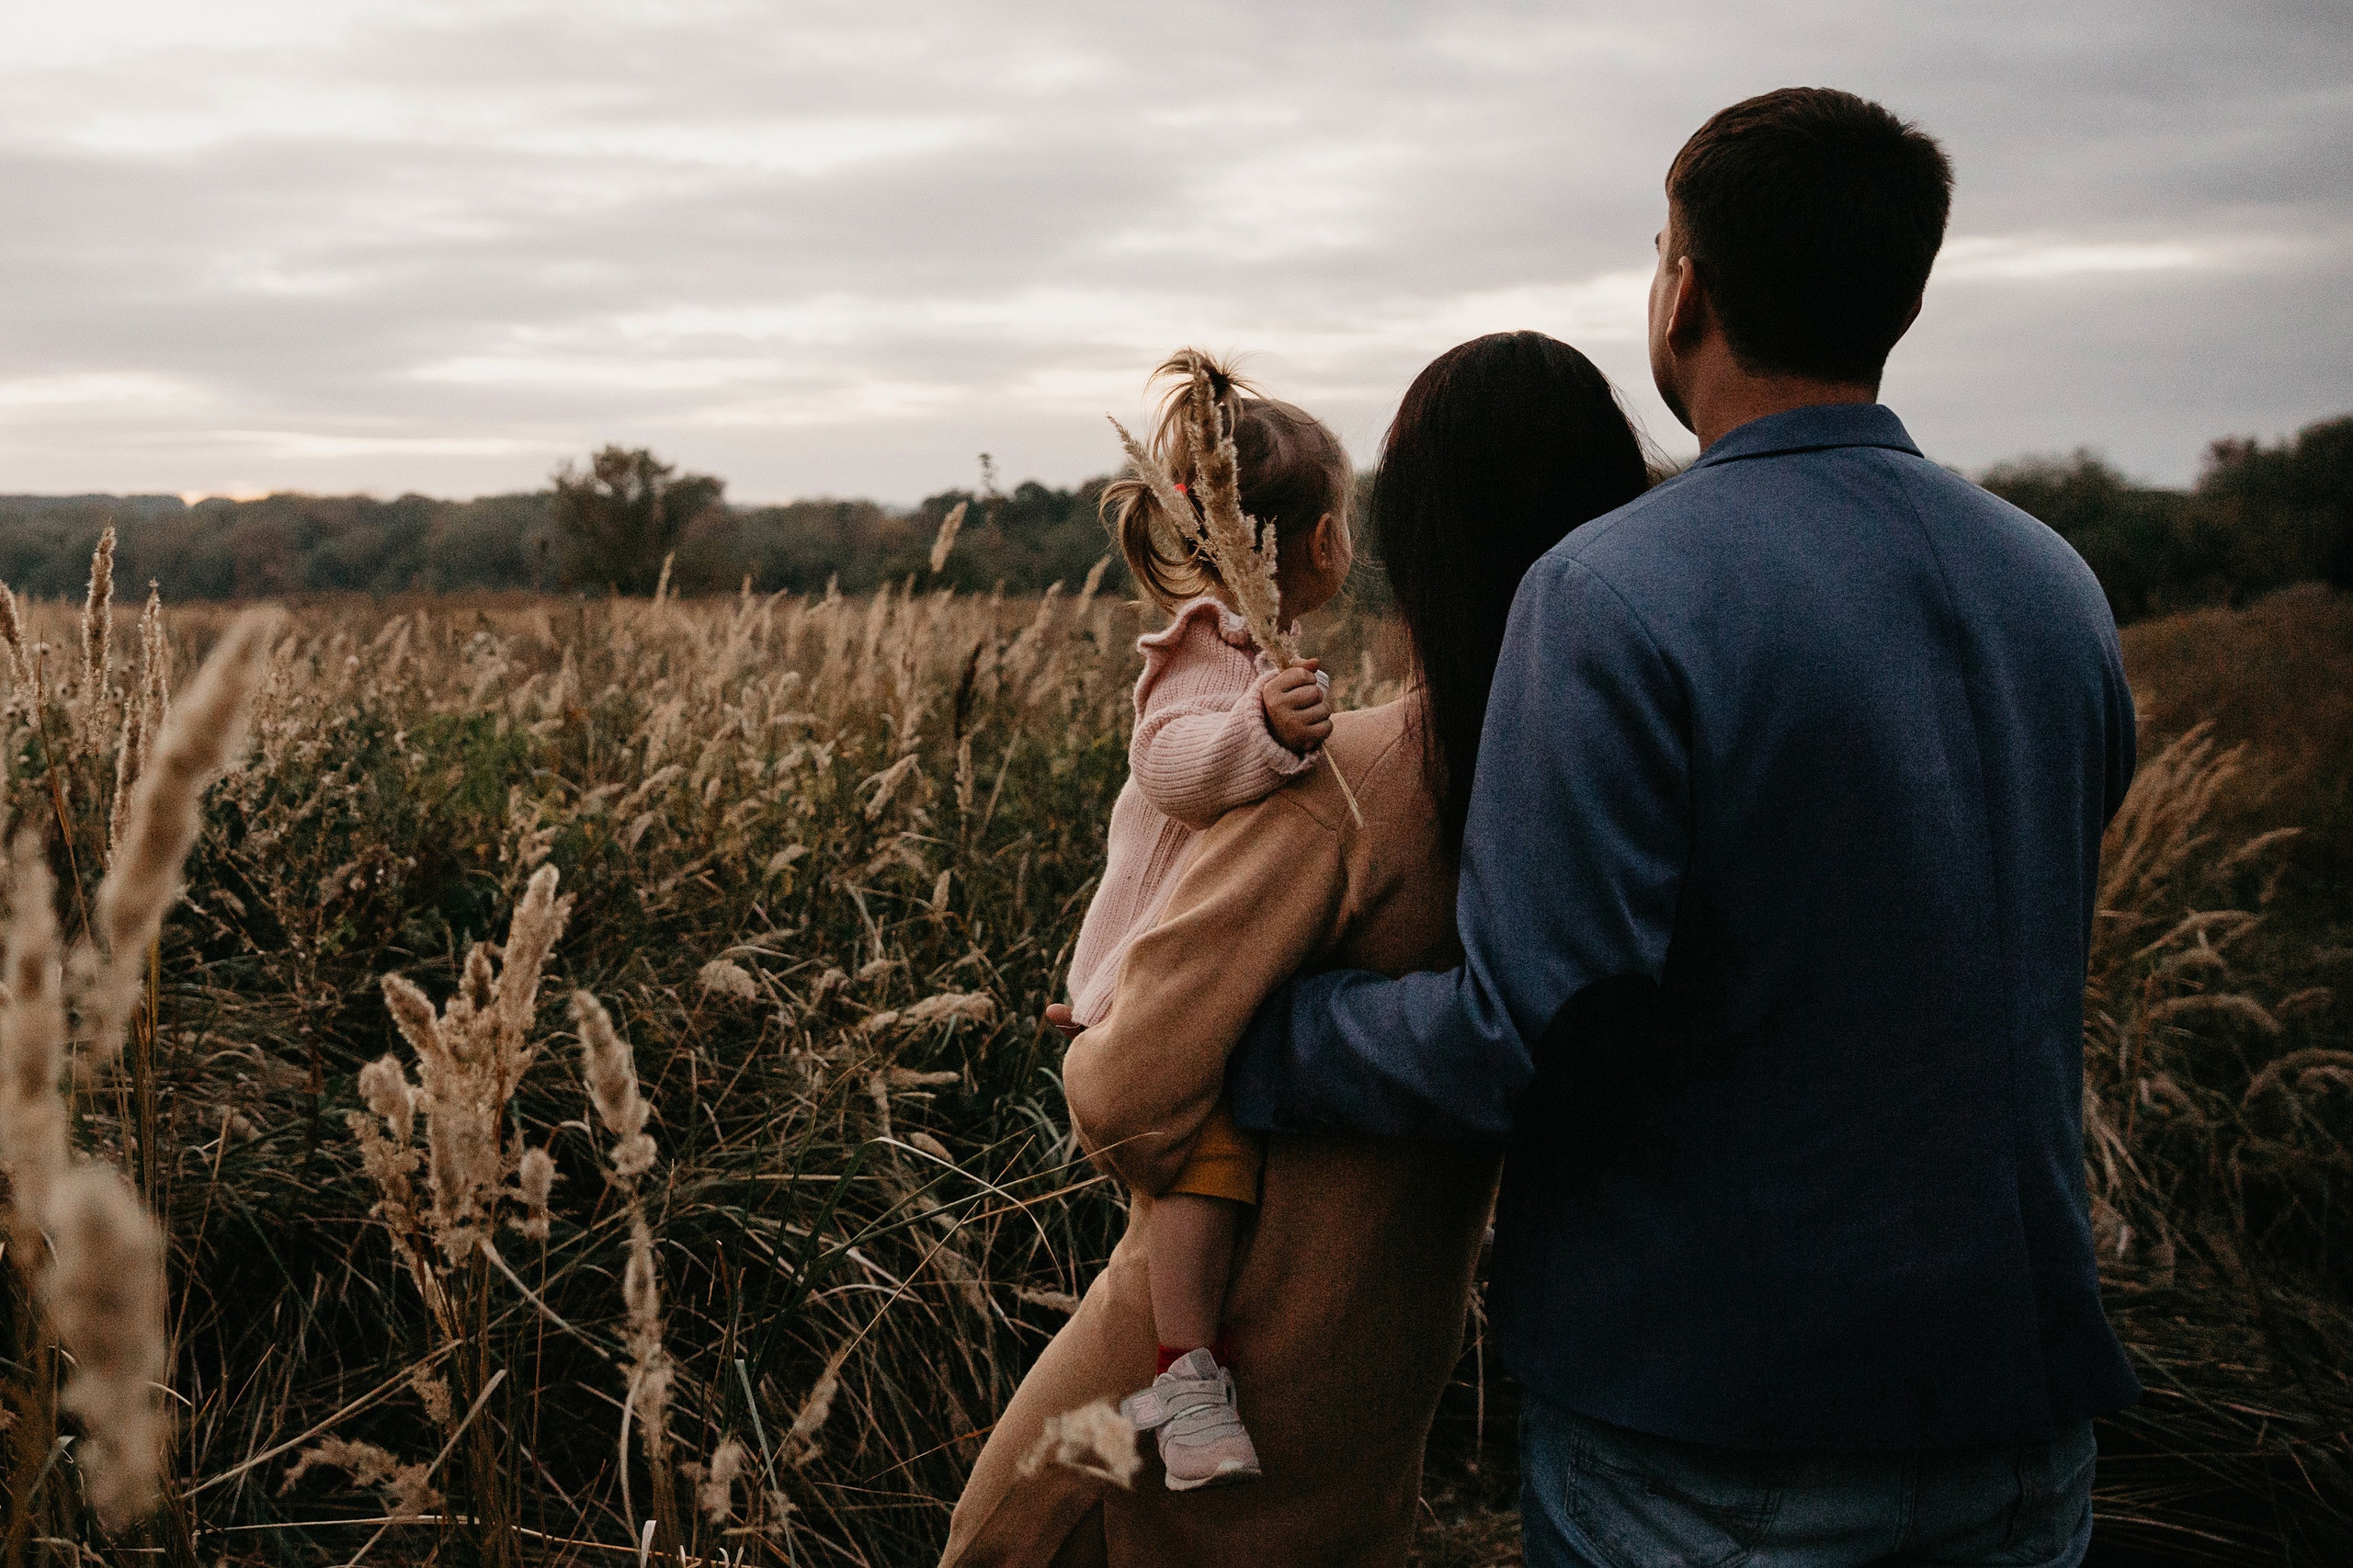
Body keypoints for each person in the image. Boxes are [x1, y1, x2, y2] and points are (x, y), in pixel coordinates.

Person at [1227, 87, 2142, 1568]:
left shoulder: (1611, 594)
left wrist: (1272, 1036)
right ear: (1901, 299)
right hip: (2022, 1416)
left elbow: (1533, 1035)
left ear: (1686, 294)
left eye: (1662, 250)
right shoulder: (2054, 583)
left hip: (1717, 1429)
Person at [939, 331, 1652, 1566]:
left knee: (1007, 1535)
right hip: (1381, 1363)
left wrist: (1133, 1039)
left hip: (1213, 1364)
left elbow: (1128, 1087)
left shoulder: (1353, 783)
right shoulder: (1588, 783)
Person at [1066, 347, 1352, 1488]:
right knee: (1204, 1162)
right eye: (1345, 521)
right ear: (1318, 541)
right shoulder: (1205, 644)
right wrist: (1265, 732)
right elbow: (1174, 765)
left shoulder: (1261, 653)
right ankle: (1186, 1383)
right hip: (1155, 982)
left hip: (1196, 969)